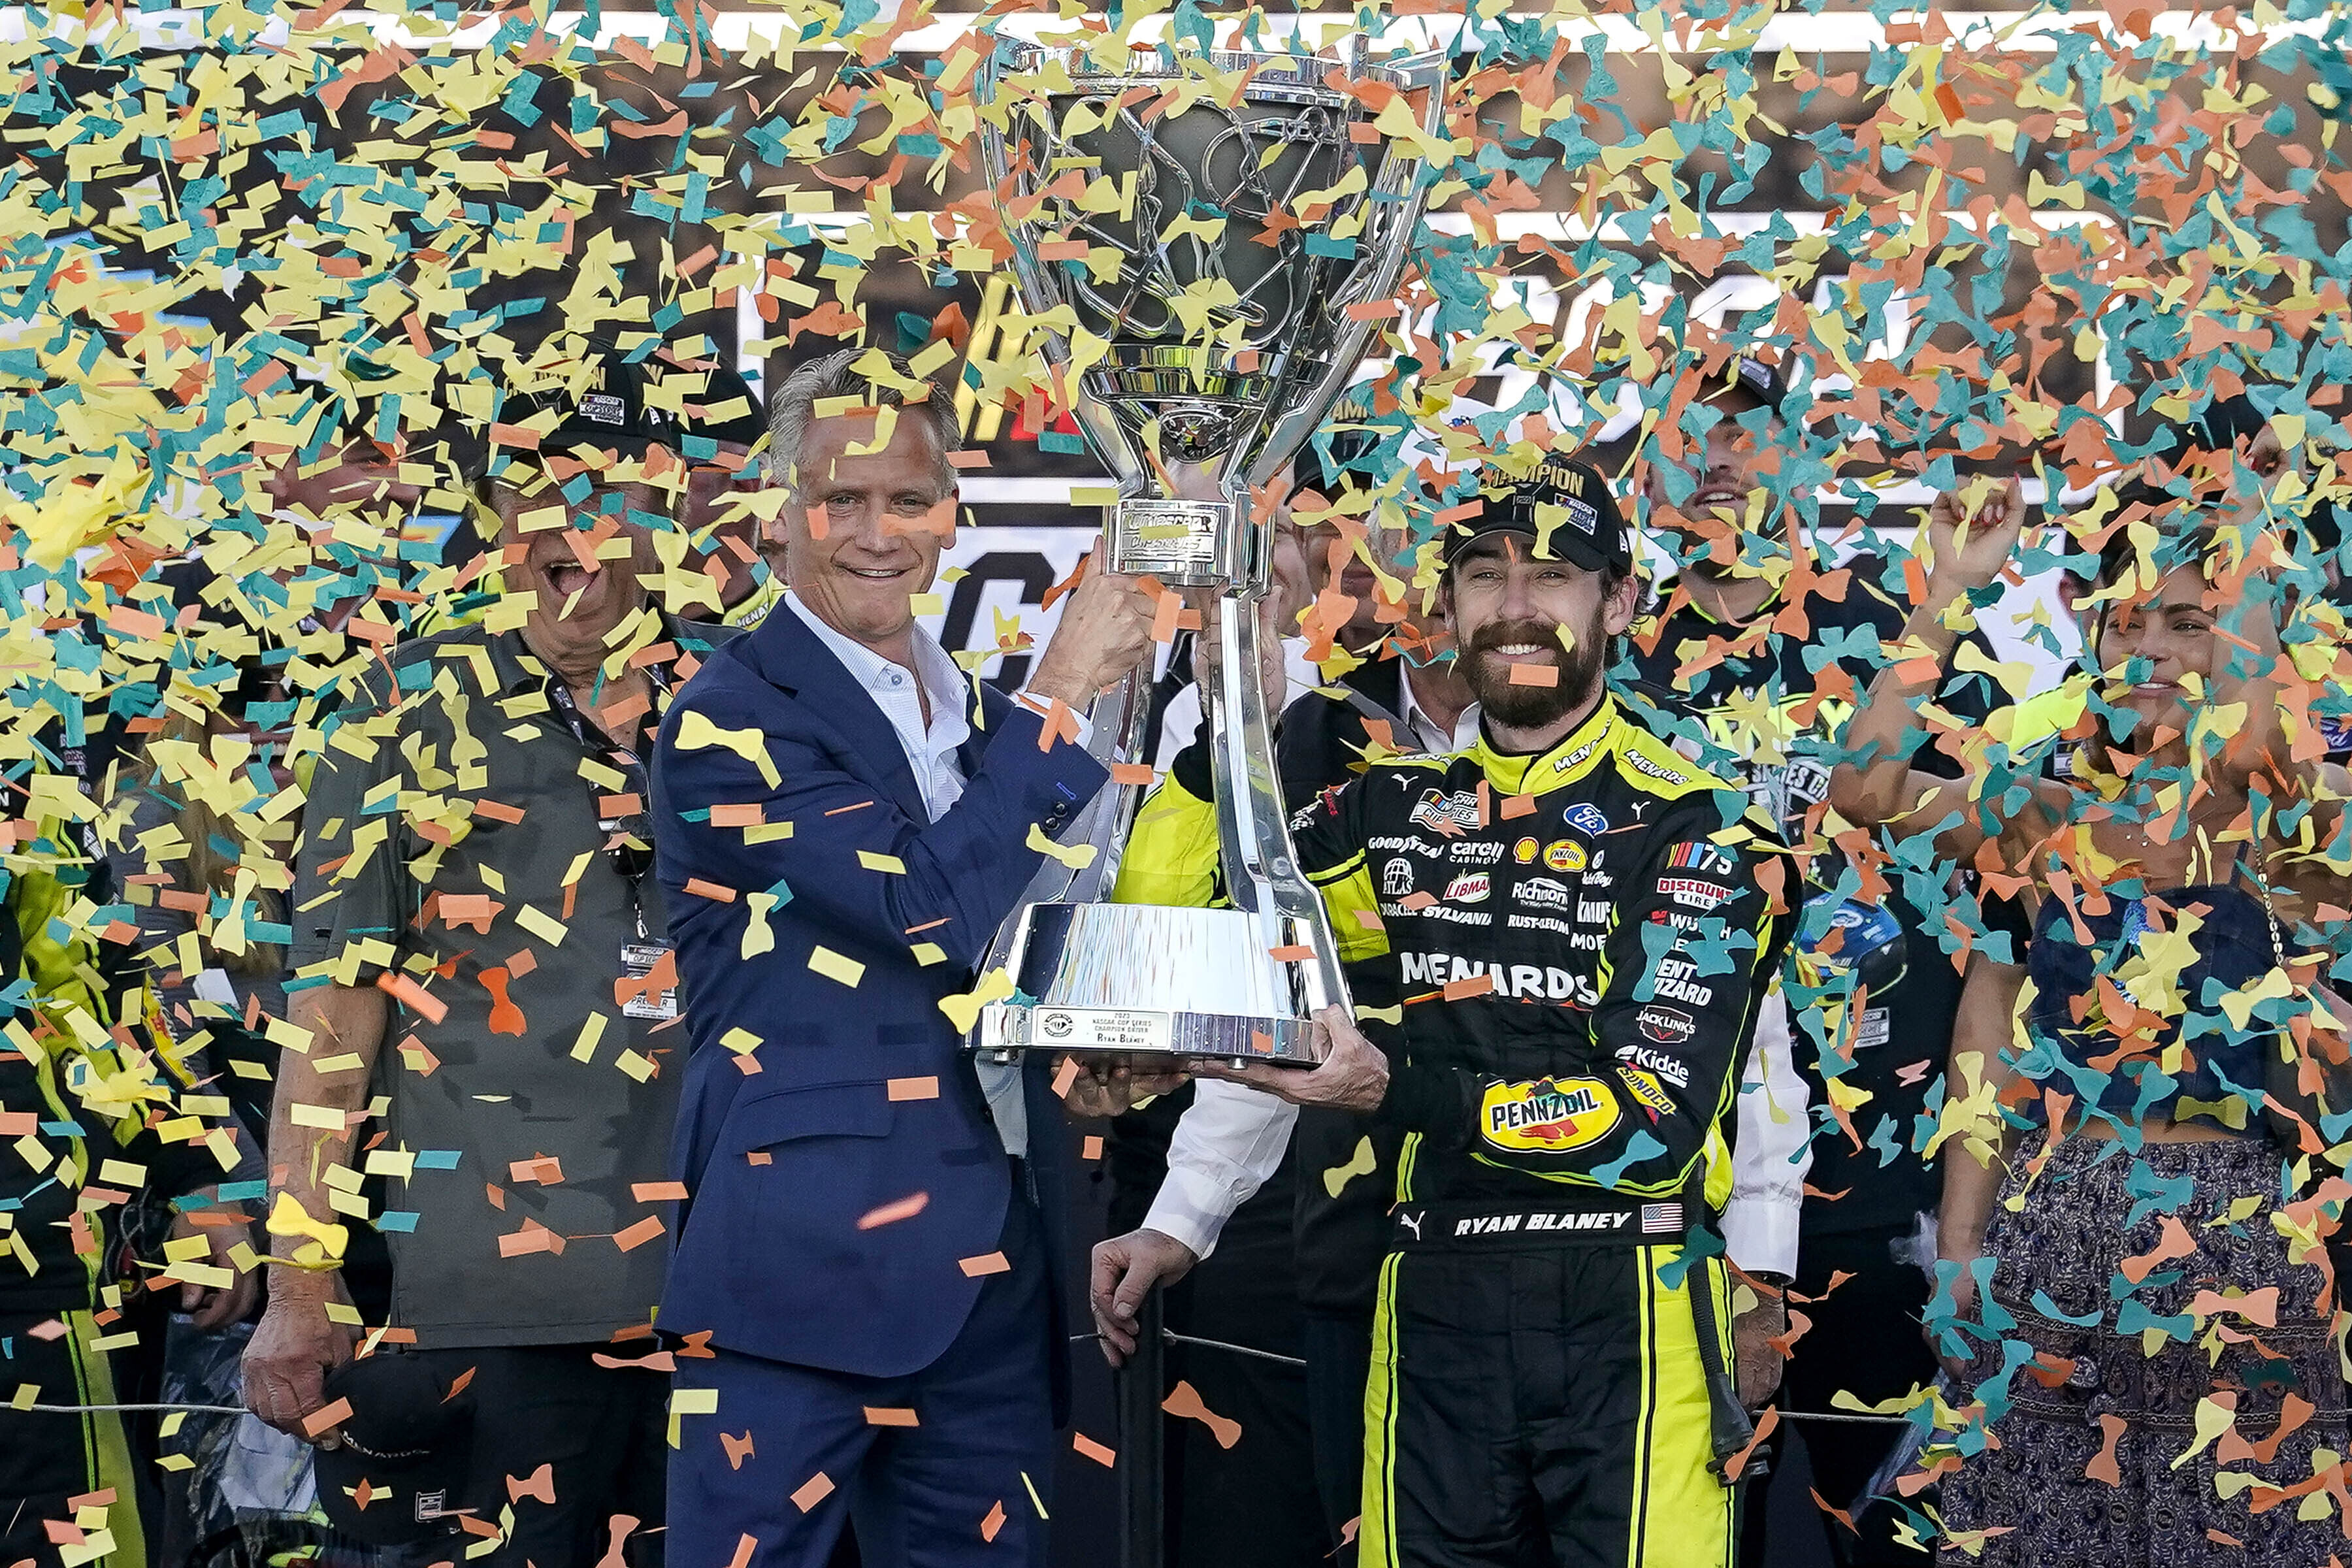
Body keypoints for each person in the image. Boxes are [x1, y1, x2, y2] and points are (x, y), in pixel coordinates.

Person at [1096, 455, 1795, 1566]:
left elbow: (1647, 1129)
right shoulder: (1393, 811)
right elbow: (1177, 946)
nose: (1516, 607)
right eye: (1484, 575)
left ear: (1617, 602)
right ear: (1448, 603)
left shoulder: (1701, 830)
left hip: (1634, 1294)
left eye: (1552, 576)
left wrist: (1394, 1089)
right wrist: (1224, 741)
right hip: (1429, 1290)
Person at [652, 347, 1156, 1568]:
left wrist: (1090, 1051)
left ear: (951, 517)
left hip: (991, 1275)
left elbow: (1003, 943)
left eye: (909, 499)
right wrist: (1061, 691)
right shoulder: (729, 712)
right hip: (798, 1272)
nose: (878, 533)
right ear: (781, 513)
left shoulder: (973, 714)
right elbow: (925, 909)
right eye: (843, 498)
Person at [242, 348, 738, 1567]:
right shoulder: (399, 713)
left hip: (740, 1296)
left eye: (615, 491)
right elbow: (332, 1015)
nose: (577, 526)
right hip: (499, 1308)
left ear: (671, 512)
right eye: (542, 491)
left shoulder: (747, 698)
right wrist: (301, 1283)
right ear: (496, 519)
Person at [1830, 479, 2352, 1565]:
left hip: (2248, 1234)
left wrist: (2252, 548)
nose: (2149, 647)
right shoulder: (2045, 820)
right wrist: (1949, 590)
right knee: (2046, 1539)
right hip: (2053, 1219)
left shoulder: (2301, 822)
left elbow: (2260, 747)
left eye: (2187, 623)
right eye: (2125, 624)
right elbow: (1865, 785)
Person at [1629, 352, 1991, 1564]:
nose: (1721, 459)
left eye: (1749, 433)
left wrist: (1965, 1210)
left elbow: (2000, 898)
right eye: (1694, 434)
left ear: (1799, 462)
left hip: (1876, 1190)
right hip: (1675, 1190)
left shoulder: (1901, 635)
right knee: (1684, 1533)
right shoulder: (1614, 658)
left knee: (1891, 1538)